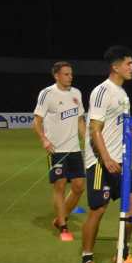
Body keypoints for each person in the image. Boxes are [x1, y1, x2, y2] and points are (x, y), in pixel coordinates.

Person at [80, 46, 132, 263]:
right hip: (100, 161)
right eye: (128, 64)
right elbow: (94, 129)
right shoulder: (102, 91)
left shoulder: (122, 93)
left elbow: (119, 124)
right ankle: (86, 261)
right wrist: (105, 157)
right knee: (98, 209)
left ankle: (122, 253)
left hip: (119, 159)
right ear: (115, 67)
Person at [32, 61, 87, 241]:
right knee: (60, 185)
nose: (70, 77)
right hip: (56, 150)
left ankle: (60, 217)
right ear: (56, 76)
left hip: (74, 150)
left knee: (79, 187)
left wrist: (88, 140)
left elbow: (80, 121)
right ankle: (63, 226)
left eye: (71, 74)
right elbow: (37, 121)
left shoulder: (76, 93)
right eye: (66, 74)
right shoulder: (47, 94)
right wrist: (44, 139)